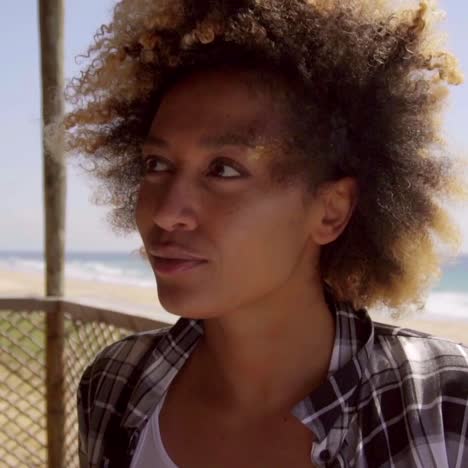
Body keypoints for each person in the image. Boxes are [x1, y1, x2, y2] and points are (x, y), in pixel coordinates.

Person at [62, 0, 468, 466]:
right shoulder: (115, 383)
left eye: (224, 170)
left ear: (330, 211)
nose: (168, 212)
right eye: (156, 164)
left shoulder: (444, 406)